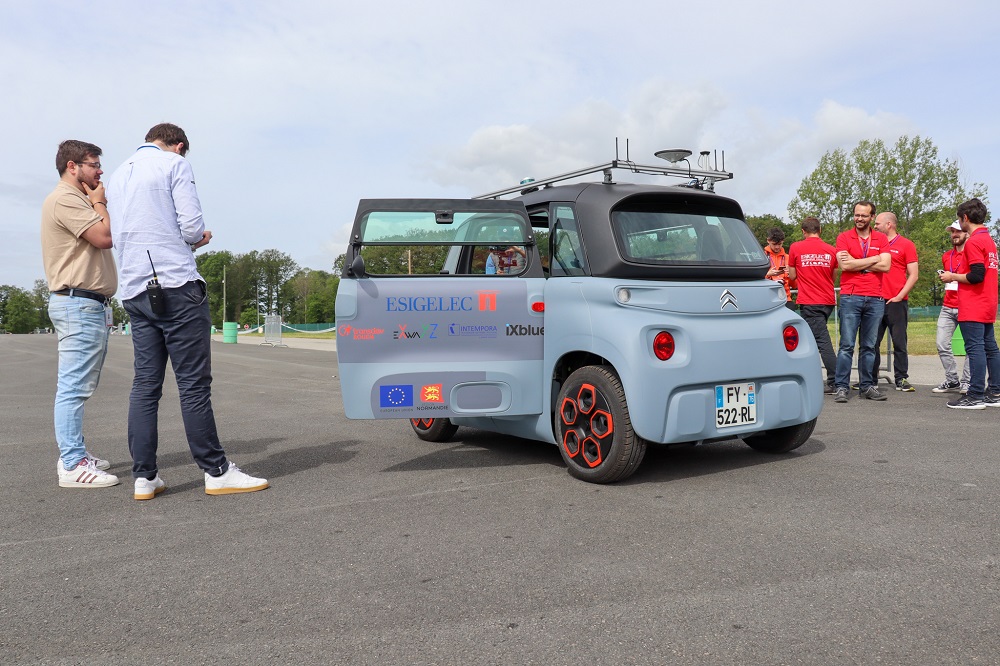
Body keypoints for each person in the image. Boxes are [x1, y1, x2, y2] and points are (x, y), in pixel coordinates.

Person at [106, 123, 269, 498]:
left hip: (134, 288)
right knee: (193, 385)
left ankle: (144, 477)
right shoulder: (173, 164)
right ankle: (216, 470)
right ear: (178, 146)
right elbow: (192, 226)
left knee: (145, 386)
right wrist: (199, 239)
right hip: (176, 285)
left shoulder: (117, 175)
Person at [42, 140, 121, 488]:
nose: (100, 171)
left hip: (86, 303)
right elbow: (104, 236)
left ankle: (75, 453)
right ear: (72, 166)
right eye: (93, 164)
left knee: (78, 385)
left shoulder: (75, 198)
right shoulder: (66, 198)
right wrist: (100, 200)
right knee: (73, 387)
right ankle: (73, 464)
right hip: (77, 302)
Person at [939, 198, 1000, 409]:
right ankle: (995, 391)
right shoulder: (989, 240)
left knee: (975, 349)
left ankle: (975, 395)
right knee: (990, 348)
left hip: (974, 302)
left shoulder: (973, 241)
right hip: (988, 300)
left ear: (965, 218)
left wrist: (952, 276)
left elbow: (976, 275)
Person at [833, 201, 891, 403]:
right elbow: (844, 265)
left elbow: (886, 266)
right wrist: (873, 260)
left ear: (872, 217)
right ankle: (841, 387)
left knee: (869, 346)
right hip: (851, 296)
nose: (859, 219)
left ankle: (867, 386)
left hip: (875, 297)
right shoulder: (843, 237)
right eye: (857, 215)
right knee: (846, 345)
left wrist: (857, 263)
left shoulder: (881, 238)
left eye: (864, 216)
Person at [788, 217, 838, 394]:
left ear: (803, 231)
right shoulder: (832, 250)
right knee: (815, 339)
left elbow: (792, 276)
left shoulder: (796, 247)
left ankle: (835, 380)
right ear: (820, 230)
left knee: (822, 342)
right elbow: (832, 276)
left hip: (810, 301)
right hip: (827, 300)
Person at [871, 212, 919, 391]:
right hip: (874, 300)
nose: (874, 226)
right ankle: (870, 379)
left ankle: (901, 378)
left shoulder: (906, 244)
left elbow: (913, 275)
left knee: (899, 342)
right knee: (871, 342)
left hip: (896, 301)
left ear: (889, 224)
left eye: (877, 223)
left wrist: (900, 295)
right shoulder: (874, 244)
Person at [932, 220, 971, 394]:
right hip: (948, 305)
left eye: (958, 232)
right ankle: (952, 380)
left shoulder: (971, 254)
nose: (954, 235)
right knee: (941, 343)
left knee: (971, 345)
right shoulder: (946, 255)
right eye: (952, 232)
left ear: (966, 233)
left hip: (967, 305)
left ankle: (967, 382)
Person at [764, 228, 795, 309]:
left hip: (786, 299)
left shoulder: (788, 258)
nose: (777, 247)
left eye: (780, 244)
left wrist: (791, 274)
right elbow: (754, 280)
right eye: (774, 244)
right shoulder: (761, 257)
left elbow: (795, 285)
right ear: (768, 240)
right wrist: (767, 275)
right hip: (767, 298)